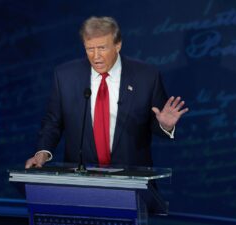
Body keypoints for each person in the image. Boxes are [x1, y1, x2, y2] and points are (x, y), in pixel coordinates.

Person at [25, 16, 188, 169]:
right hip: (80, 179)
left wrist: (165, 126)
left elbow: (156, 120)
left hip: (131, 178)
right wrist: (42, 153)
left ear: (118, 45)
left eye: (102, 48)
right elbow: (53, 122)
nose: (96, 56)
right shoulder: (65, 76)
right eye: (90, 49)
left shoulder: (146, 76)